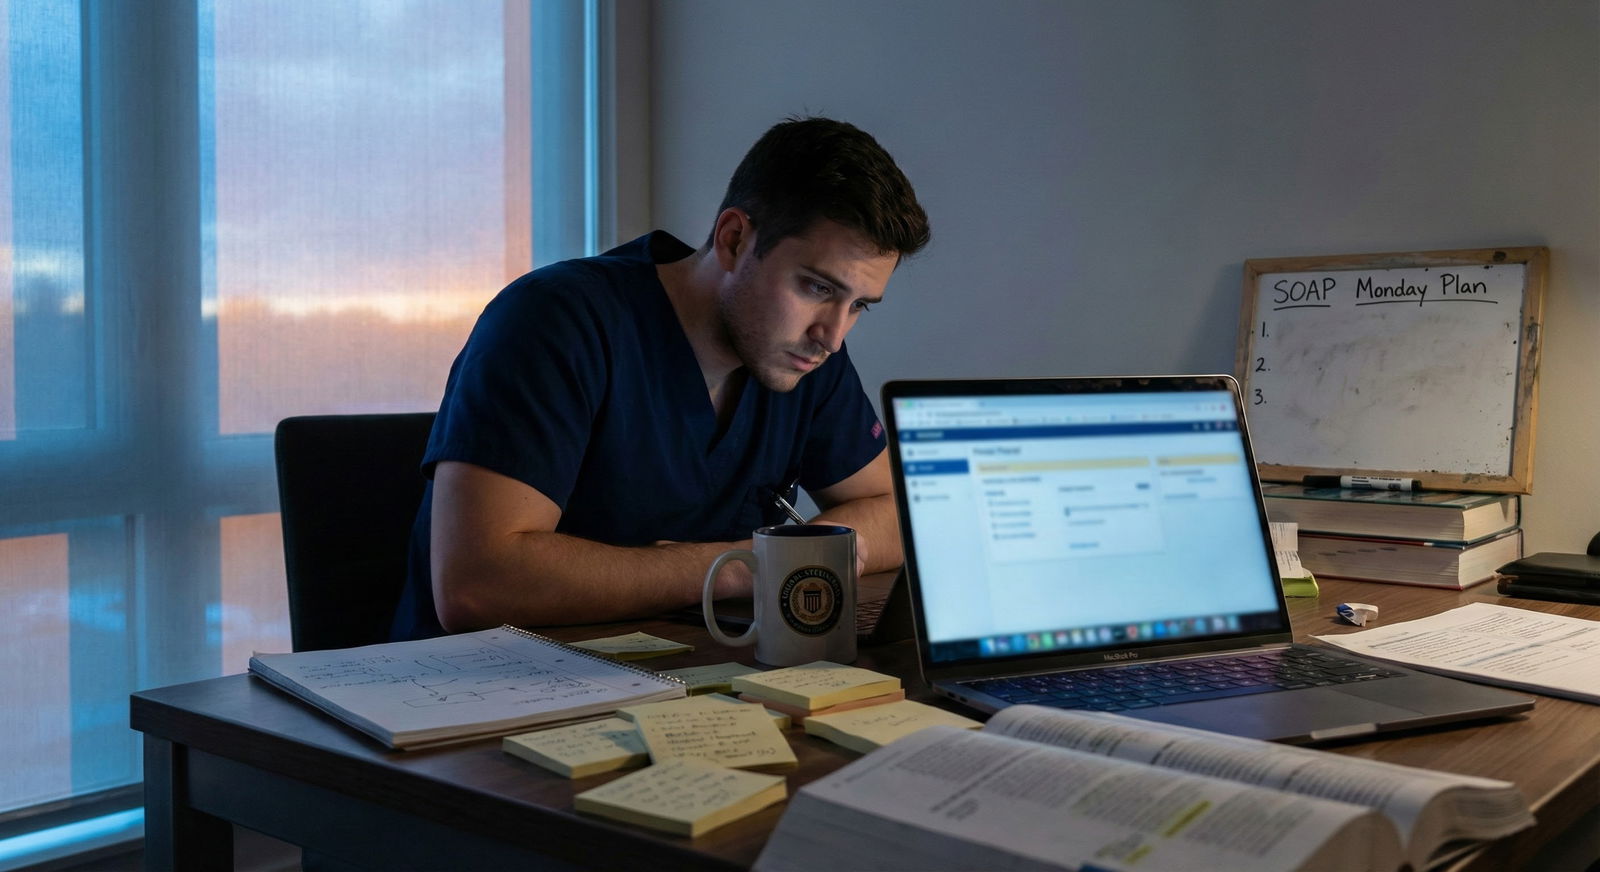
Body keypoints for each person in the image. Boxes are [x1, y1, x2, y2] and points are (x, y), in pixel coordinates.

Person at [390, 117, 930, 640]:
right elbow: (478, 586)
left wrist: (793, 554)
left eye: (859, 304)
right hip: (479, 699)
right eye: (815, 287)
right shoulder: (555, 321)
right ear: (735, 238)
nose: (833, 335)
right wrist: (742, 566)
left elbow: (896, 514)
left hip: (691, 680)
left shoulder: (804, 356)